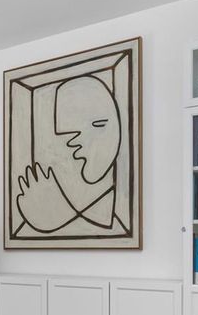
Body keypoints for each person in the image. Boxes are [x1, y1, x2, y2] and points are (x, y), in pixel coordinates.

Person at [16, 75, 123, 233]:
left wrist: (58, 214)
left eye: (98, 125)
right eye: (67, 132)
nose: (74, 141)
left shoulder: (117, 210)